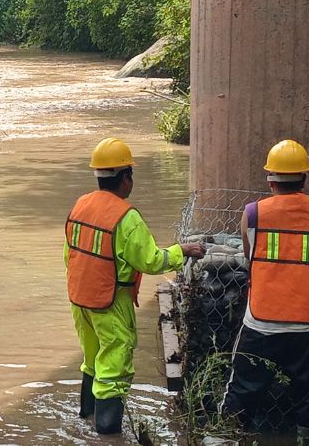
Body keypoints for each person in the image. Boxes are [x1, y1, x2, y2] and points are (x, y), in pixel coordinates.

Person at [67, 137, 205, 434]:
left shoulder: (80, 204)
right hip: (111, 301)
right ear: (126, 178)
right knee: (114, 367)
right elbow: (152, 262)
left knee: (92, 360)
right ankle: (106, 434)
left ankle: (85, 420)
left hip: (80, 299)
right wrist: (183, 250)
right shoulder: (126, 217)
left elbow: (70, 255)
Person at [222, 139, 309, 434]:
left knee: (242, 390)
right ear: (303, 179)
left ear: (270, 180)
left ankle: (228, 437)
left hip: (261, 322)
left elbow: (249, 255)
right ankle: (305, 440)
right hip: (306, 325)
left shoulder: (253, 213)